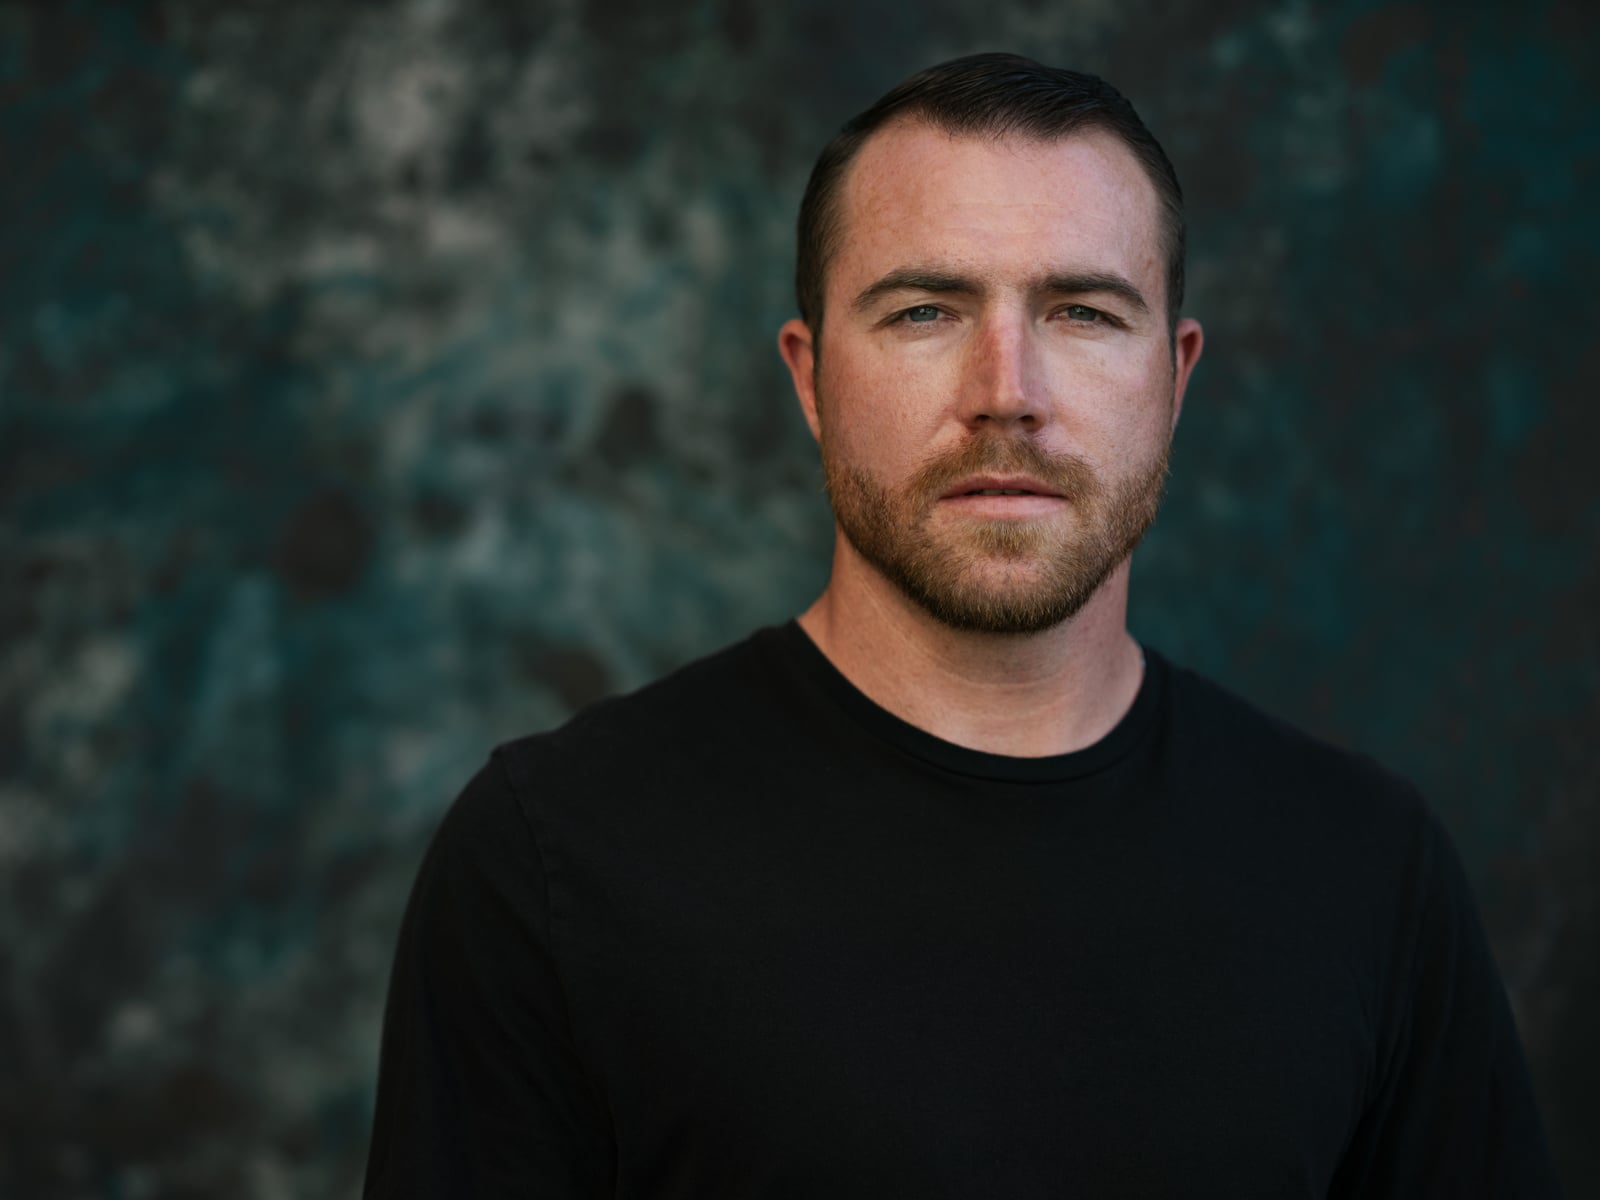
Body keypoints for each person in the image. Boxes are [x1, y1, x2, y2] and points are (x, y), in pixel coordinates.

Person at [363, 53, 1560, 1197]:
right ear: (810, 379)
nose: (1008, 393)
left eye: (1083, 312)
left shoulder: (1364, 872)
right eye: (926, 310)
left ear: (1177, 379)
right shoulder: (553, 860)